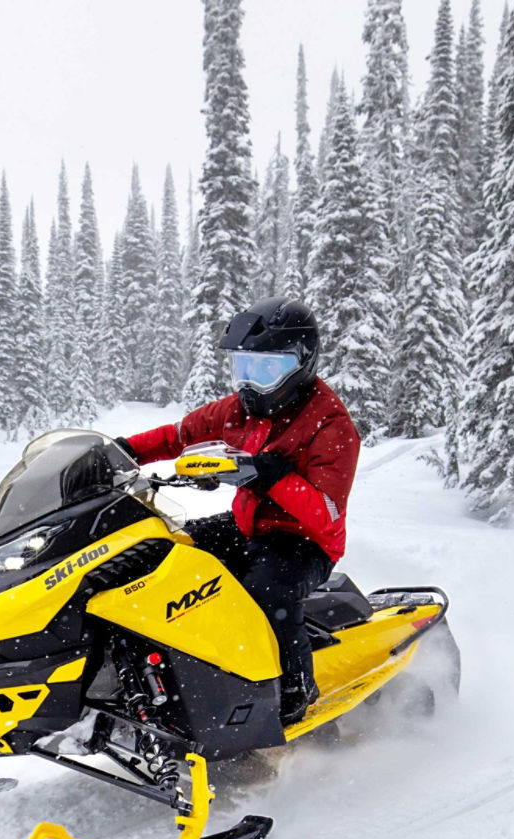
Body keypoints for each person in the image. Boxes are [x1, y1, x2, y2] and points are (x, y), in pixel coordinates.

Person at [116, 298, 360, 725]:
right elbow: (179, 434)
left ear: (300, 364)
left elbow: (326, 514)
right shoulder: (240, 408)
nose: (251, 383)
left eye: (265, 370)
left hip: (303, 542)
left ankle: (294, 690)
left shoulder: (330, 424)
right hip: (249, 525)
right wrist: (124, 451)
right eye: (243, 368)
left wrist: (271, 477)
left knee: (267, 592)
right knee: (168, 553)